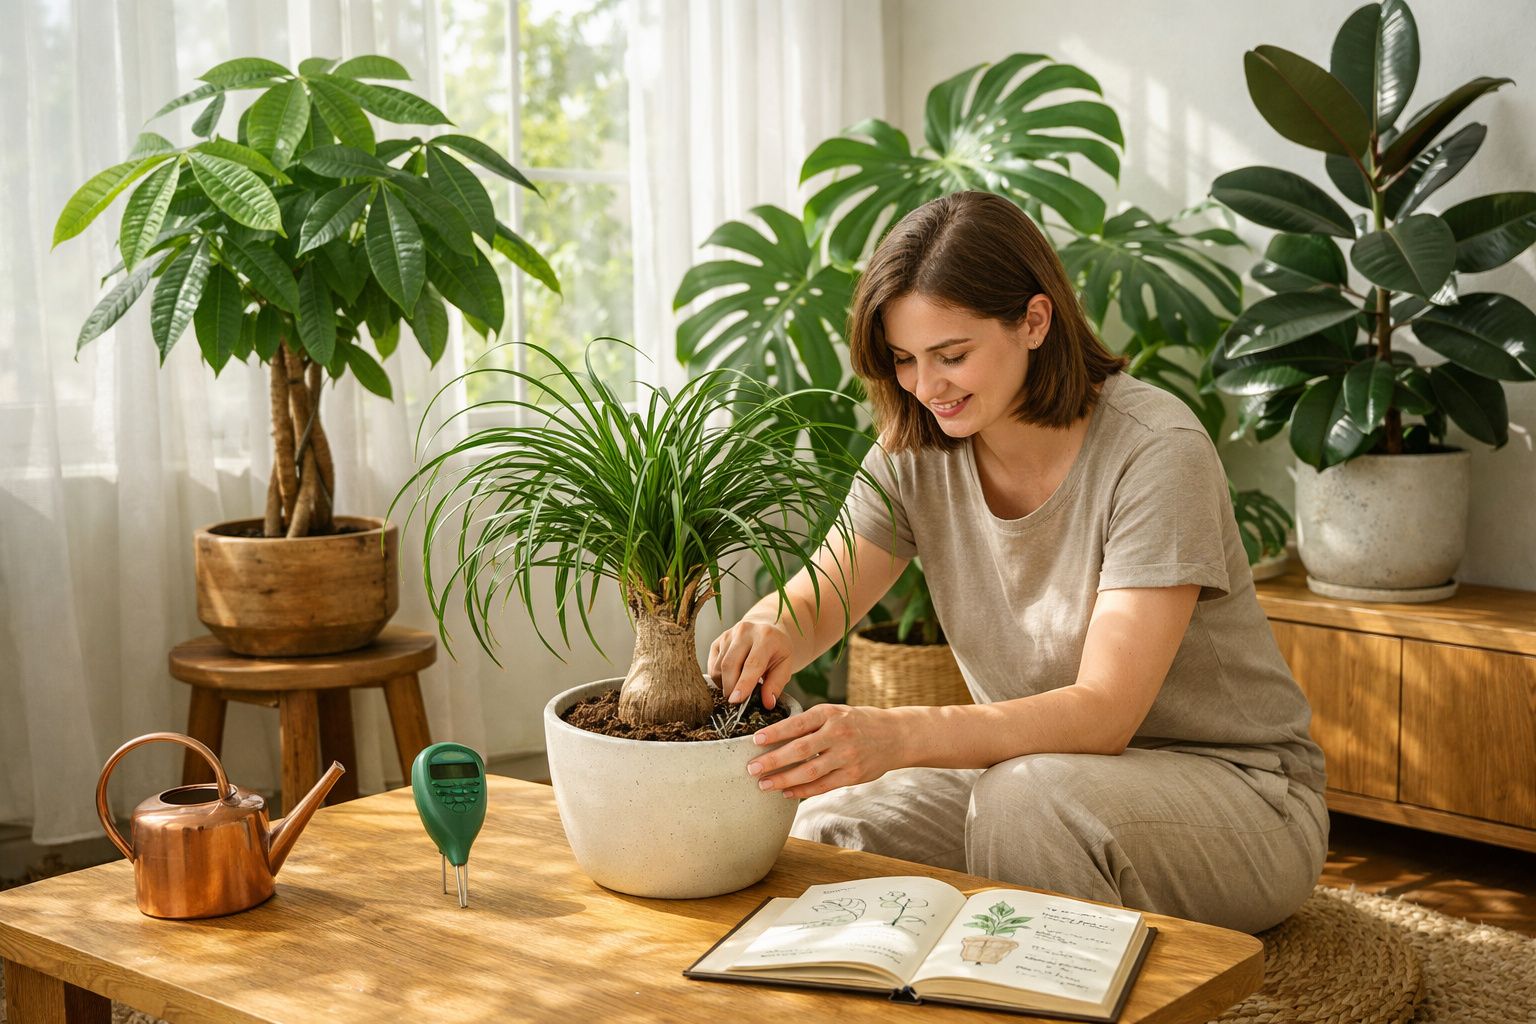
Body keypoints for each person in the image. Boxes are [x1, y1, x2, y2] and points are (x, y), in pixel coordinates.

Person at [707, 190, 1327, 934]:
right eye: (905, 360)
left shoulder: (1155, 452)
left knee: (1027, 805)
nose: (926, 387)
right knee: (830, 821)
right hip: (1026, 772)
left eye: (952, 355)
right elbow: (821, 596)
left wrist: (897, 736)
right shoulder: (916, 450)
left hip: (1242, 795)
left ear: (1035, 321)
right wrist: (766, 628)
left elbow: (1105, 714)